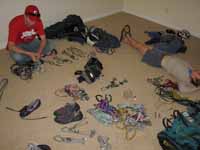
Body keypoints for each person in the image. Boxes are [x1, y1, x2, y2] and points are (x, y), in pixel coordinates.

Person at [120, 25, 200, 93]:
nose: (199, 71)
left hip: (158, 59)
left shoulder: (186, 78)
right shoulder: (192, 71)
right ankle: (126, 40)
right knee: (175, 45)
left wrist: (192, 86)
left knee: (140, 46)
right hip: (167, 54)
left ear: (194, 79)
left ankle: (127, 37)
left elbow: (183, 89)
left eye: (198, 74)